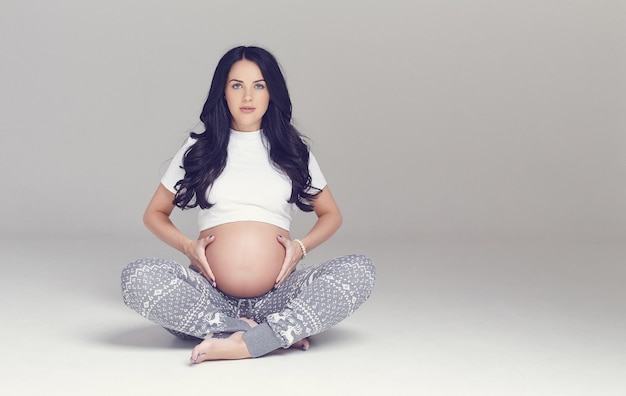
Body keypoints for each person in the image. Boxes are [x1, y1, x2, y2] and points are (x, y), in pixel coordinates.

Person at [120, 45, 376, 363]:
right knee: (136, 277)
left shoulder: (292, 150)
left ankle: (247, 342)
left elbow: (331, 214)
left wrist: (302, 247)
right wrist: (188, 247)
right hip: (209, 299)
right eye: (236, 85)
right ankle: (254, 332)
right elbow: (154, 213)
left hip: (279, 296)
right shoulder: (199, 148)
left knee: (360, 270)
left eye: (259, 86)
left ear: (272, 93)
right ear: (223, 92)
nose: (247, 97)